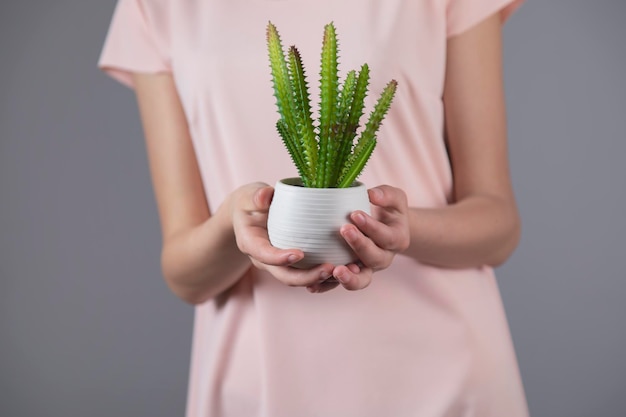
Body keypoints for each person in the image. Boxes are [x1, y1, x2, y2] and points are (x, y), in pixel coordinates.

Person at [99, 0, 529, 416]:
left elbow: (498, 224)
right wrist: (235, 224)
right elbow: (184, 276)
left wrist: (402, 228)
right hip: (259, 386)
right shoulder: (154, 6)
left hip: (442, 376)